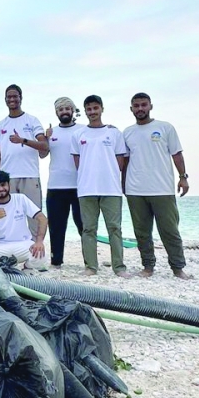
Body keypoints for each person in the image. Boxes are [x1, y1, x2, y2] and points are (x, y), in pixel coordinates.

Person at [122, 93, 191, 279]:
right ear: (131, 109)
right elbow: (125, 162)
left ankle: (178, 268)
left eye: (143, 105)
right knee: (142, 232)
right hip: (135, 190)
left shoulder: (165, 127)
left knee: (170, 231)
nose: (140, 109)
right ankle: (148, 267)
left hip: (162, 189)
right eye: (136, 106)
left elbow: (177, 154)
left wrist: (183, 177)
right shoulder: (127, 132)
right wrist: (123, 185)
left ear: (150, 106)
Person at [70, 95, 128, 276]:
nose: (92, 112)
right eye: (89, 109)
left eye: (95, 108)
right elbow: (78, 162)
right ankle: (90, 267)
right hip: (87, 188)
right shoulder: (78, 134)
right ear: (85, 111)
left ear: (102, 109)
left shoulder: (114, 133)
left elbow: (120, 162)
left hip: (111, 188)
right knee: (88, 229)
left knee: (115, 228)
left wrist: (107, 174)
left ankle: (119, 267)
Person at [0, 170, 47, 269]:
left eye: (3, 185)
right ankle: (3, 269)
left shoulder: (20, 199)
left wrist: (39, 241)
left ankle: (27, 269)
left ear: (9, 185)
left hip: (22, 244)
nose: (1, 189)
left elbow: (42, 218)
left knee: (41, 255)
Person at [0, 84, 48, 207]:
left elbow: (44, 146)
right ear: (5, 99)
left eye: (15, 96)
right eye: (9, 97)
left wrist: (23, 140)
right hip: (8, 178)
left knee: (35, 219)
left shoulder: (32, 120)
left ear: (21, 98)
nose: (12, 99)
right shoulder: (1, 125)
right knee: (9, 217)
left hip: (30, 175)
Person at [46, 96, 84, 268]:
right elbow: (42, 154)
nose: (64, 112)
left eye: (67, 109)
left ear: (73, 110)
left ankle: (89, 261)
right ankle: (56, 261)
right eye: (61, 109)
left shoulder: (83, 129)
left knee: (84, 226)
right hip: (55, 186)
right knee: (56, 228)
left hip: (79, 185)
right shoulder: (51, 132)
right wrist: (44, 139)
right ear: (57, 113)